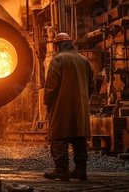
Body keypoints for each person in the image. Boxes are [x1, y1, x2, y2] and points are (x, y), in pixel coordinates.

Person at [43, 32, 96, 181]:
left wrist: (48, 103)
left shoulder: (58, 59)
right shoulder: (84, 60)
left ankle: (62, 170)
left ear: (58, 46)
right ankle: (81, 171)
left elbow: (51, 87)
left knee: (59, 138)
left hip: (61, 106)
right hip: (81, 107)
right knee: (79, 139)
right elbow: (92, 84)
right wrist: (83, 98)